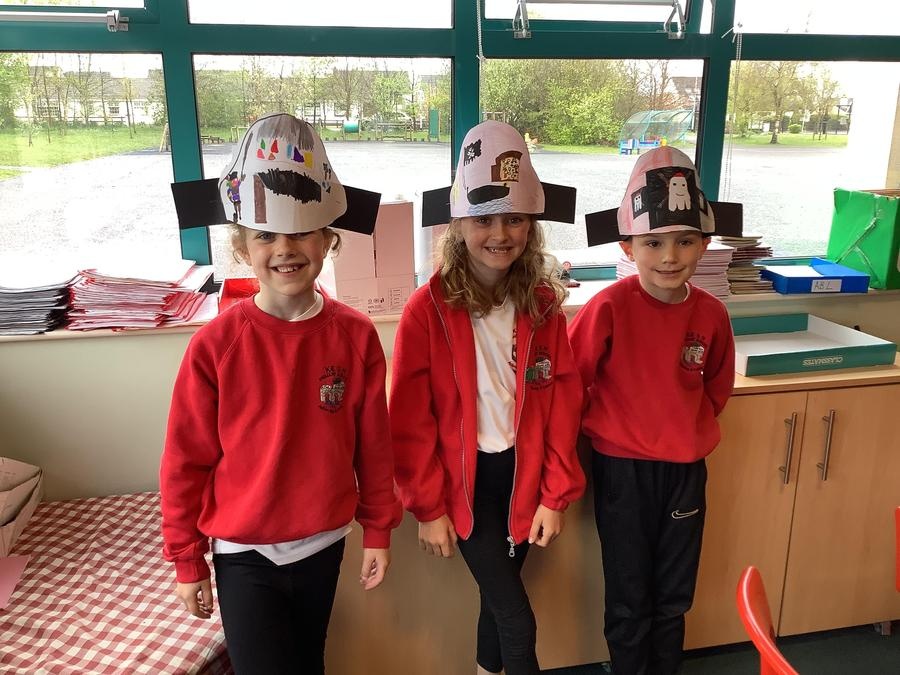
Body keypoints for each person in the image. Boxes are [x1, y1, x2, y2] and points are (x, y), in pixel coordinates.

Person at [160, 113, 402, 675]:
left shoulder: (356, 335)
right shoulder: (215, 345)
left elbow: (374, 444)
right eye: (265, 235)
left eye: (301, 232)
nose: (284, 249)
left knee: (308, 662)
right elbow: (184, 460)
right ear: (243, 246)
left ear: (328, 239)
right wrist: (186, 557)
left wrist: (379, 528)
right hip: (244, 551)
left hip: (323, 541)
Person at [390, 120, 586, 675]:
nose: (500, 233)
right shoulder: (426, 310)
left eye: (514, 218)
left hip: (522, 478)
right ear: (458, 223)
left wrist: (555, 494)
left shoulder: (543, 305)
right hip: (465, 486)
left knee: (496, 609)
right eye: (483, 219)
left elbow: (563, 402)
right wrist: (429, 507)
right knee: (517, 620)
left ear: (531, 224)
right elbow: (409, 421)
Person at [568, 146, 736, 675]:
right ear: (628, 245)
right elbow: (572, 382)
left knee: (673, 593)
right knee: (629, 593)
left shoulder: (711, 314)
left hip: (685, 472)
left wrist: (682, 427)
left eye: (685, 240)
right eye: (653, 242)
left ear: (704, 244)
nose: (669, 256)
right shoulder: (607, 307)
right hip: (622, 472)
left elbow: (717, 386)